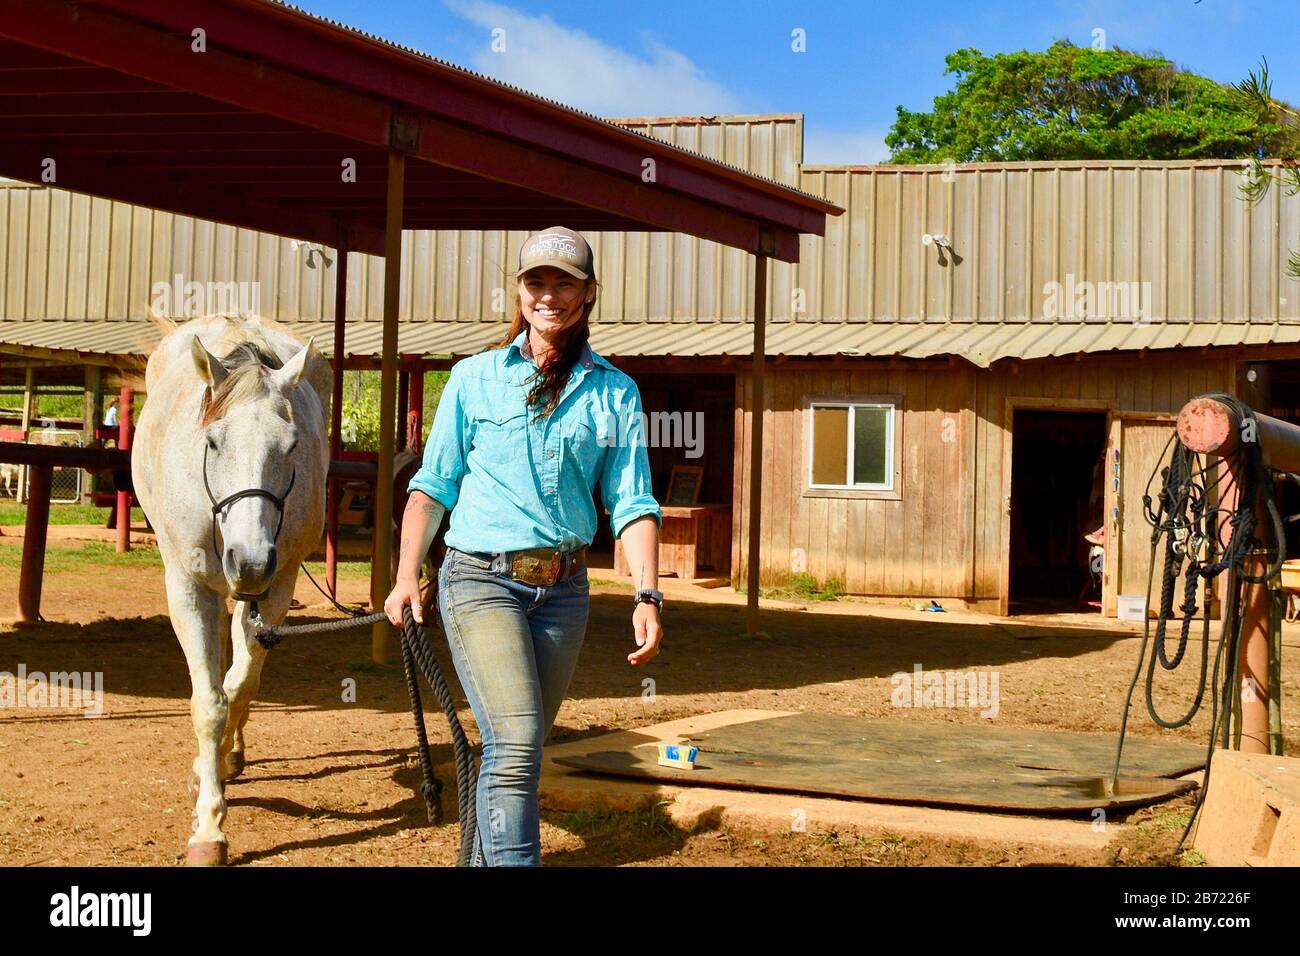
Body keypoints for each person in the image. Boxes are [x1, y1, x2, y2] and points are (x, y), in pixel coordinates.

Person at [384, 226, 664, 866]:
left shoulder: (616, 393)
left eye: (563, 283)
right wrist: (405, 578)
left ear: (589, 294)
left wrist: (647, 593)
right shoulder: (473, 379)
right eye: (536, 282)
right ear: (518, 291)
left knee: (520, 749)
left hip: (564, 593)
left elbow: (633, 502)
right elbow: (431, 487)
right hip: (480, 582)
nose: (548, 295)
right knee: (514, 743)